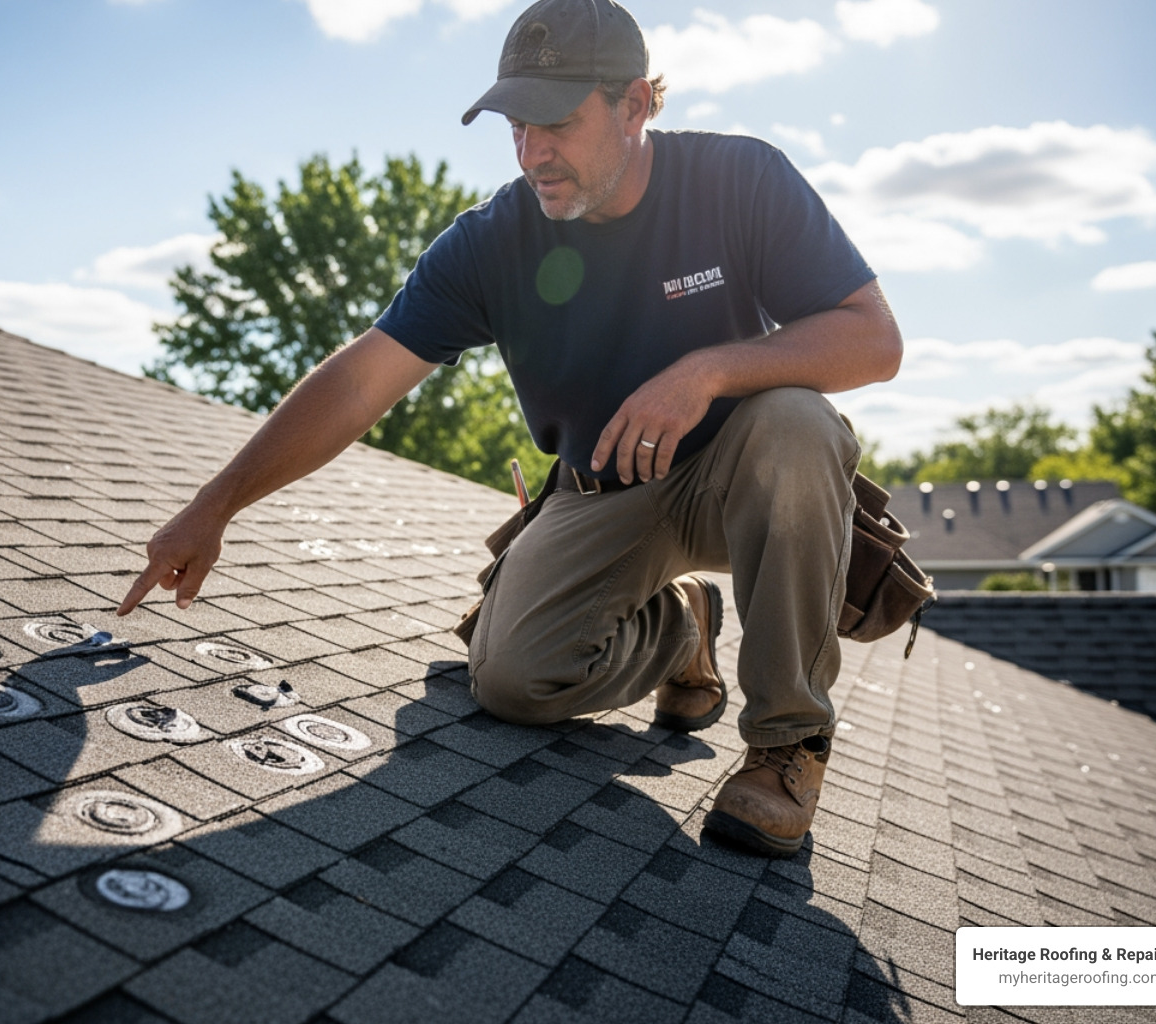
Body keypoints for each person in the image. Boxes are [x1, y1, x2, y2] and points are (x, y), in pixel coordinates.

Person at [119, 0, 902, 858]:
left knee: (798, 422)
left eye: (557, 124)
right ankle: (683, 624)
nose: (534, 154)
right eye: (516, 126)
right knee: (509, 681)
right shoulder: (491, 243)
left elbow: (874, 338)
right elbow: (356, 383)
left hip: (744, 479)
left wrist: (708, 371)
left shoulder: (740, 181)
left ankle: (786, 744)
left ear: (635, 106)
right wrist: (215, 504)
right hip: (605, 492)